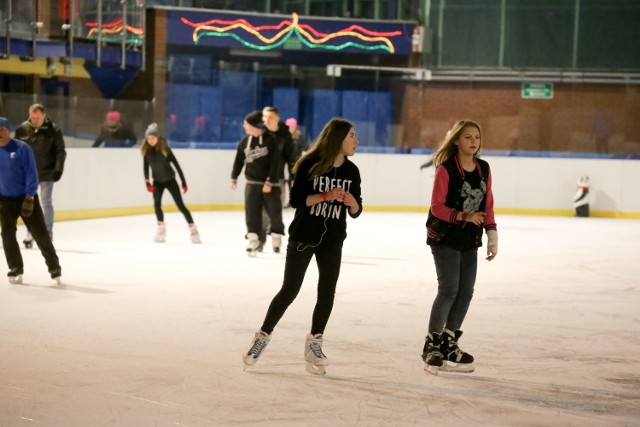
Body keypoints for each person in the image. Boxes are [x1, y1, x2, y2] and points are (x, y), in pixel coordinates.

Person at [242, 117, 362, 375]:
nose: (356, 141)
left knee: (327, 292)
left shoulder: (352, 172)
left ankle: (314, 344)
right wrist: (326, 196)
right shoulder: (309, 164)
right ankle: (262, 337)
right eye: (352, 135)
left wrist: (352, 202)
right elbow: (296, 200)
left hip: (333, 239)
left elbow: (356, 210)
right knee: (290, 290)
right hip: (304, 235)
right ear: (337, 138)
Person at [422, 119, 498, 375]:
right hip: (445, 237)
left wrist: (492, 235)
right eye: (467, 137)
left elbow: (487, 205)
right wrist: (463, 216)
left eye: (476, 137)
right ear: (456, 140)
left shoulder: (483, 168)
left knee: (466, 291)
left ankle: (448, 341)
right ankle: (432, 344)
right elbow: (437, 207)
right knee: (449, 290)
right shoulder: (446, 169)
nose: (473, 141)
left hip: (469, 240)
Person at [0, 117, 62, 285]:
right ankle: (15, 267)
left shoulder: (22, 148)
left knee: (40, 234)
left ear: (8, 130)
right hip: (5, 200)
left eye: (1, 129)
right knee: (7, 234)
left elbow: (31, 174)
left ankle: (54, 267)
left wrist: (29, 197)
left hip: (26, 198)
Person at [230, 110, 284, 255]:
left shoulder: (271, 140)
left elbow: (275, 163)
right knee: (252, 213)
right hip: (252, 184)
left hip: (269, 185)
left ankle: (276, 236)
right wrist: (234, 177)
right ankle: (253, 240)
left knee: (274, 213)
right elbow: (238, 161)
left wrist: (270, 181)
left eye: (246, 124)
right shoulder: (245, 141)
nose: (244, 126)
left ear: (254, 125)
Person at [14, 103, 67, 248]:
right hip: (27, 174)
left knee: (46, 202)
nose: (34, 120)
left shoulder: (54, 130)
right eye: (32, 117)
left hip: (47, 172)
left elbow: (60, 151)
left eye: (37, 118)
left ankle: (48, 232)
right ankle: (30, 232)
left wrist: (58, 169)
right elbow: (16, 151)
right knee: (28, 203)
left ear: (44, 115)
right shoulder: (22, 129)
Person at [141, 123, 200, 244]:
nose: (150, 140)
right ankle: (161, 228)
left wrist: (184, 182)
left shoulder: (165, 149)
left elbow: (177, 166)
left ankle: (193, 229)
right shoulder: (147, 152)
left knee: (180, 205)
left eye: (152, 137)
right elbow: (145, 167)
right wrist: (147, 182)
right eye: (148, 138)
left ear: (157, 138)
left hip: (170, 181)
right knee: (157, 205)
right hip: (157, 182)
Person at [260, 106, 296, 252]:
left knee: (275, 209)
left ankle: (276, 236)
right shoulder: (260, 132)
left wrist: (293, 177)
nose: (266, 120)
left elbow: (291, 158)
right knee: (261, 211)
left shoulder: (285, 134)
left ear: (277, 119)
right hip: (260, 177)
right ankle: (260, 239)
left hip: (277, 177)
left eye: (269, 117)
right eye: (264, 117)